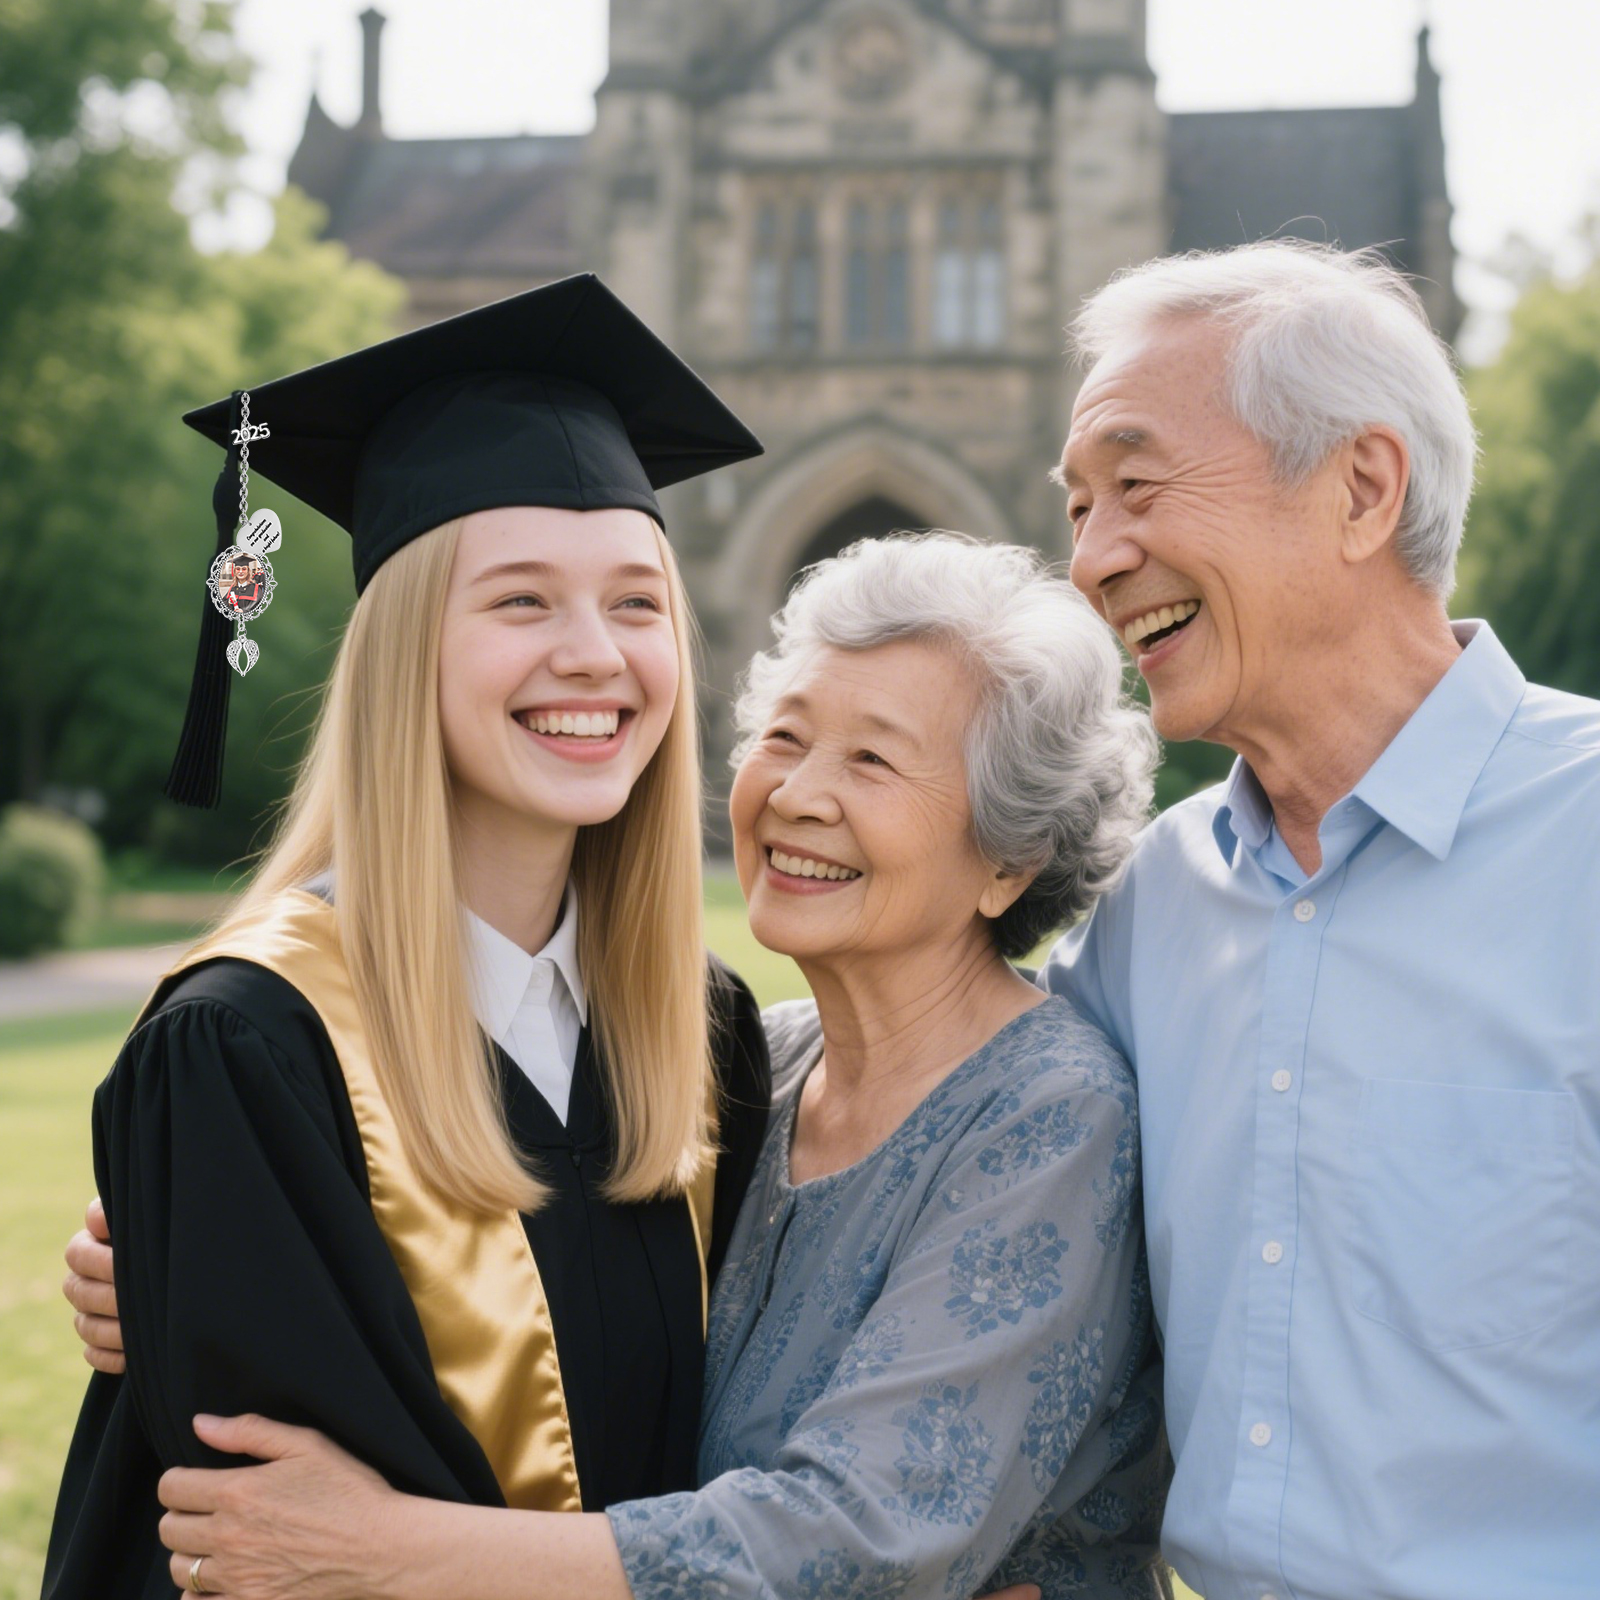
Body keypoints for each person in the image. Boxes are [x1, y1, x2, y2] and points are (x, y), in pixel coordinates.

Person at [70, 535, 1172, 1598]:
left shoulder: (1048, 1110)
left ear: (1009, 860)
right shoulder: (745, 1065)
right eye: (784, 737)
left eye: (872, 759)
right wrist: (189, 1258)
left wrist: (390, 1552)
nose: (797, 794)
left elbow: (864, 1541)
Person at [43, 273, 774, 1599]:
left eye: (634, 601)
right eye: (519, 602)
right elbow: (268, 1561)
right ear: (401, 648)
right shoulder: (246, 1053)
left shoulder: (702, 1030)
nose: (595, 655)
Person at [1043, 241, 1600, 1600]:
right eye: (1075, 509)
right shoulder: (1145, 907)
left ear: (1361, 489)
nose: (1093, 560)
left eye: (1135, 485)